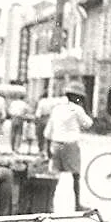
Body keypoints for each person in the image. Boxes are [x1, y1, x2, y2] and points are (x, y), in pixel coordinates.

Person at [44, 81, 93, 211]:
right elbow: (88, 124)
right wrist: (86, 108)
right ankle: (77, 204)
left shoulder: (57, 108)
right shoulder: (77, 109)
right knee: (76, 176)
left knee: (54, 177)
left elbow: (48, 131)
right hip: (70, 145)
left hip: (55, 144)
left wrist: (47, 148)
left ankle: (49, 205)